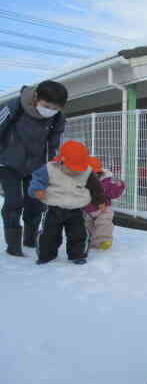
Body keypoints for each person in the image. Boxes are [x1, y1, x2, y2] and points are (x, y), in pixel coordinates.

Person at [0, 81, 67, 256]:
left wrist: (53, 166)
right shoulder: (15, 106)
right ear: (36, 98)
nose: (50, 111)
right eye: (47, 106)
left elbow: (54, 144)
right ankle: (13, 245)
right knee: (14, 202)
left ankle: (30, 240)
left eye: (55, 108)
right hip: (9, 164)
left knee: (36, 202)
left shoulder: (57, 117)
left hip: (37, 166)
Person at [28, 140, 106, 265]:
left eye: (78, 168)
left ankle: (78, 255)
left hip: (76, 210)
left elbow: (96, 188)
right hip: (54, 208)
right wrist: (37, 189)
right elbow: (37, 179)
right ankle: (46, 255)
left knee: (78, 234)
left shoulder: (87, 171)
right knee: (49, 235)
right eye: (72, 168)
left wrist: (100, 201)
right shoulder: (50, 168)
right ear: (61, 160)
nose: (75, 171)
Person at [84, 156, 126, 250]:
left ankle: (103, 241)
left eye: (96, 173)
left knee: (104, 223)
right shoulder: (81, 182)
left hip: (103, 209)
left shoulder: (106, 182)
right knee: (86, 225)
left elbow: (113, 192)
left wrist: (119, 186)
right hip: (86, 210)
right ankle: (88, 240)